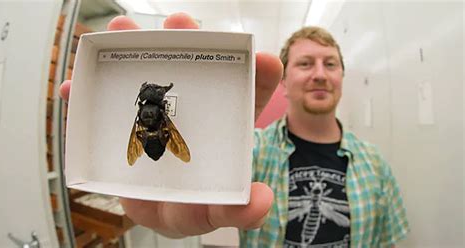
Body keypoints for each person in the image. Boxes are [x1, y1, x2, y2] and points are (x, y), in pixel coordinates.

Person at [60, 13, 409, 247]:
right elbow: (205, 179)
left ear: (341, 78)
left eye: (330, 63)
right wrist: (168, 205)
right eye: (305, 64)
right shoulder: (250, 152)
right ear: (283, 82)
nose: (319, 73)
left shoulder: (375, 163)